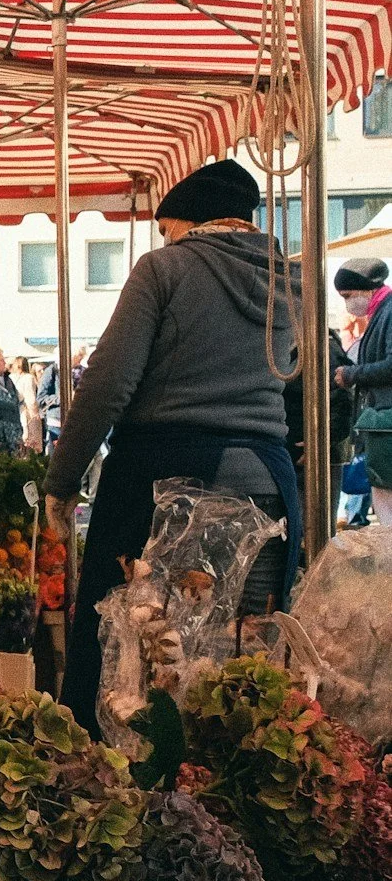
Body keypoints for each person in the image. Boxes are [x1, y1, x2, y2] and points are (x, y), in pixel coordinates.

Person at [46, 159, 301, 739]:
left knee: (137, 661)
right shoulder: (293, 279)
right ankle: (230, 792)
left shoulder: (164, 269)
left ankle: (126, 789)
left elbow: (107, 383)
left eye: (167, 229)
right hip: (267, 481)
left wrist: (63, 482)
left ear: (185, 223)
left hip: (166, 482)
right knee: (240, 659)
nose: (164, 240)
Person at [335, 255, 392, 525]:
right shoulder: (381, 312)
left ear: (366, 289)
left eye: (348, 295)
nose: (347, 304)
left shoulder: (389, 311)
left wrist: (351, 374)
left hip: (386, 424)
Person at [10, 356, 43, 450]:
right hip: (27, 412)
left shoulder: (10, 377)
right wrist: (36, 413)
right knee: (32, 447)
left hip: (15, 412)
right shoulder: (29, 378)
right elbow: (31, 399)